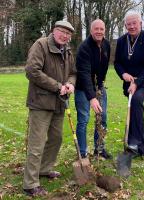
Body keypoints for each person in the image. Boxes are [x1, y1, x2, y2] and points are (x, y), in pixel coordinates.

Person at [23, 20, 76, 197]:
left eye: (68, 34)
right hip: (40, 103)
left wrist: (69, 84)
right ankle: (30, 183)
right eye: (62, 31)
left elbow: (73, 73)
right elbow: (32, 71)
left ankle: (45, 169)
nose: (65, 35)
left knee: (56, 139)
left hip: (59, 103)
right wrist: (57, 86)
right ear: (54, 31)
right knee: (36, 144)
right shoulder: (41, 45)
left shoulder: (67, 50)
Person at [114, 11, 144, 158]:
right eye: (129, 24)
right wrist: (123, 74)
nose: (132, 26)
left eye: (134, 23)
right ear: (125, 25)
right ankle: (133, 145)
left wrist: (138, 83)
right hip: (129, 82)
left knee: (137, 100)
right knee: (133, 108)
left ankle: (140, 146)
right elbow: (117, 63)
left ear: (140, 23)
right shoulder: (121, 41)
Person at [75, 19, 112, 159]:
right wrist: (92, 97)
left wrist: (100, 87)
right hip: (82, 88)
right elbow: (84, 74)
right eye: (96, 29)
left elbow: (104, 68)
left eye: (101, 29)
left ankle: (99, 149)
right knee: (83, 119)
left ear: (105, 30)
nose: (99, 31)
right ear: (91, 31)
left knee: (102, 118)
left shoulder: (107, 45)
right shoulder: (84, 48)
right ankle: (82, 153)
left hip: (99, 86)